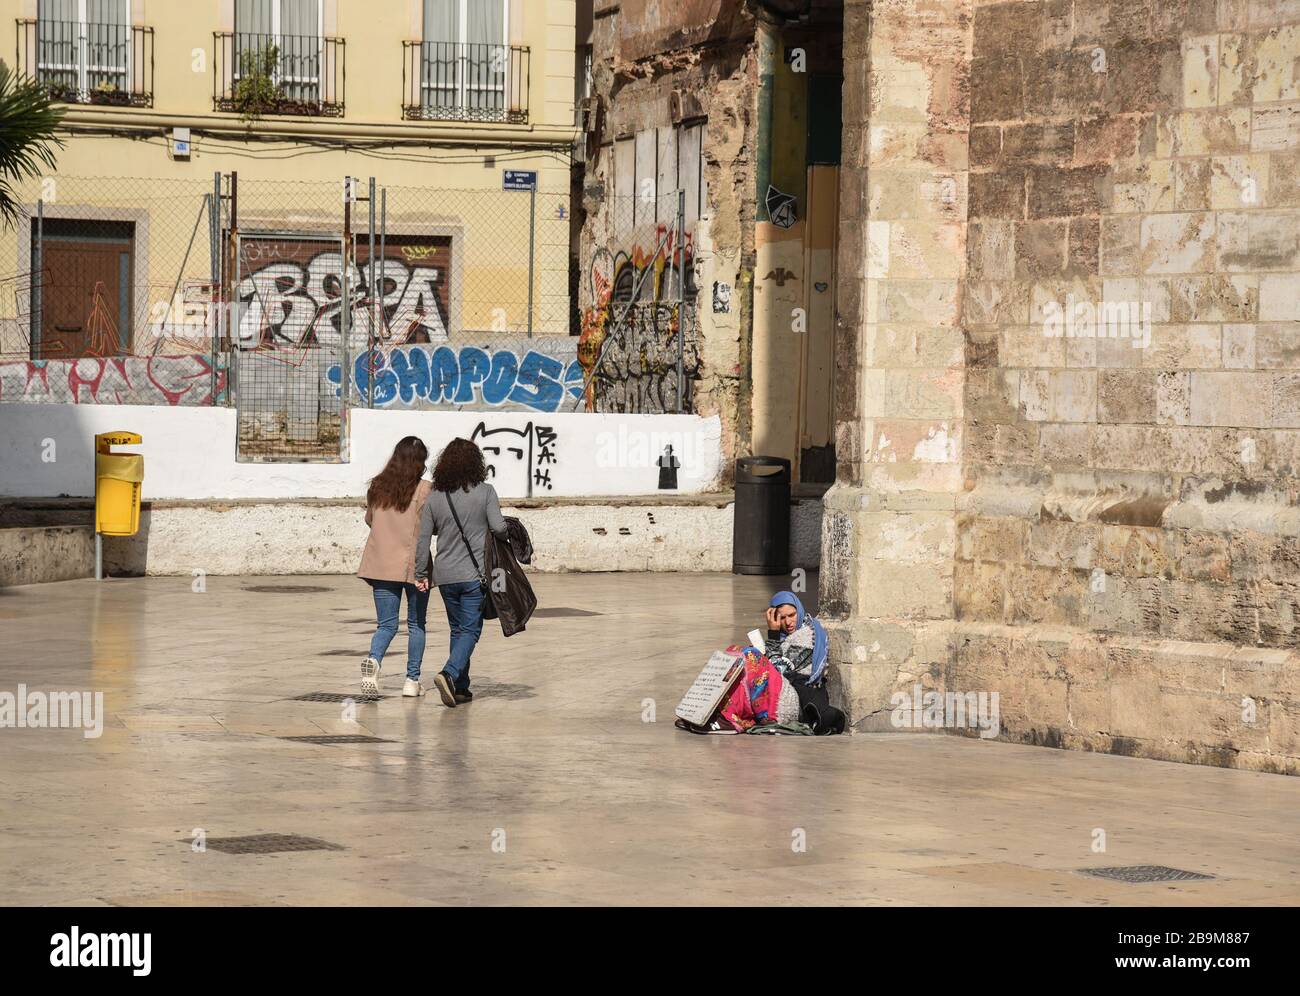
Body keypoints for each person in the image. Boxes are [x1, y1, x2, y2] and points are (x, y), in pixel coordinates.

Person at [415, 438, 509, 708]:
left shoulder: (434, 497)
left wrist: (422, 572)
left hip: (445, 576)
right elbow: (499, 527)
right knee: (470, 630)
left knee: (457, 630)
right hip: (474, 575)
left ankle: (461, 688)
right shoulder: (486, 492)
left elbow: (423, 539)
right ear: (476, 464)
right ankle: (448, 673)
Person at [357, 436, 433, 698]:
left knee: (386, 625)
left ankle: (374, 660)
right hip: (415, 564)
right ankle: (412, 681)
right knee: (416, 624)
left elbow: (370, 520)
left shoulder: (377, 486)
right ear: (420, 462)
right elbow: (432, 527)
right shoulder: (425, 490)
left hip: (381, 565)